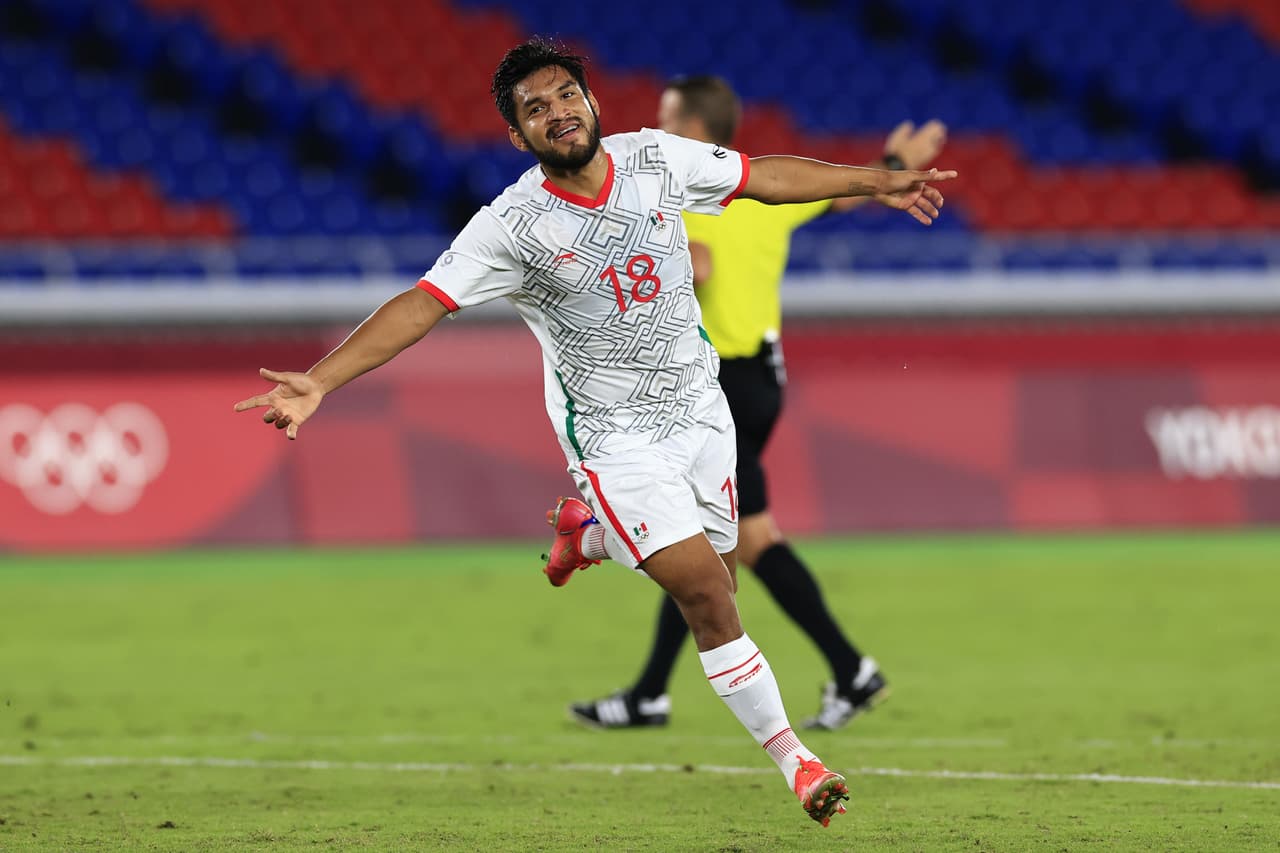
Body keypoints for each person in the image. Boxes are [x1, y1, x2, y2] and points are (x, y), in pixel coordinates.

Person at [235, 38, 955, 827]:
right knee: (709, 596)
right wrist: (321, 380)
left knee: (719, 580)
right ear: (518, 136)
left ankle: (592, 536)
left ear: (591, 99)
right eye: (534, 109)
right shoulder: (512, 224)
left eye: (565, 95)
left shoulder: (657, 158)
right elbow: (424, 302)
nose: (557, 113)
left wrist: (875, 180)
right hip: (615, 436)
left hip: (702, 411)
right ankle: (799, 760)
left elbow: (763, 177)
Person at [562, 76, 947, 733]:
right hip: (764, 381)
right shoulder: (764, 189)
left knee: (705, 541)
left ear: (688, 131)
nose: (654, 130)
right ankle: (833, 671)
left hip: (720, 388)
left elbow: (700, 264)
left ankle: (669, 692)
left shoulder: (676, 194)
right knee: (727, 539)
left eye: (664, 119)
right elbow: (829, 195)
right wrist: (887, 168)